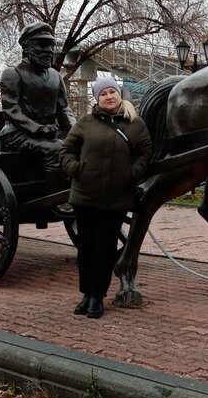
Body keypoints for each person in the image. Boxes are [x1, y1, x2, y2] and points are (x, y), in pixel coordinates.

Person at [60, 76, 152, 319]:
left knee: (105, 247)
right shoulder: (85, 122)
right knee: (86, 247)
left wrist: (132, 174)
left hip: (117, 196)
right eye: (103, 94)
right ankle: (86, 295)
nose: (109, 96)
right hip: (85, 194)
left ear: (119, 94)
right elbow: (66, 150)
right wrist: (75, 169)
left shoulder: (135, 124)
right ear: (97, 99)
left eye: (112, 91)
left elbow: (145, 153)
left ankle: (97, 297)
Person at [0, 22, 76, 178]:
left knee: (79, 145)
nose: (48, 50)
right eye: (42, 45)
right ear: (26, 47)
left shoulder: (55, 76)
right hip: (16, 134)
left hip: (48, 134)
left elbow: (63, 109)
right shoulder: (13, 73)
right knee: (54, 148)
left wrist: (77, 130)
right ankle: (56, 198)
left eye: (50, 46)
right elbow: (11, 110)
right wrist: (39, 128)